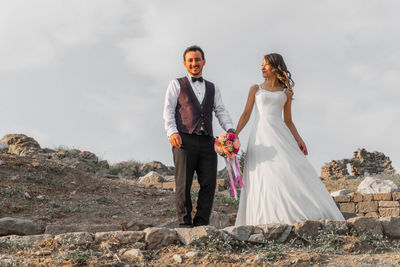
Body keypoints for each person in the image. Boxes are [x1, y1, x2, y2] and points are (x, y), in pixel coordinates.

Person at [235, 53, 344, 225]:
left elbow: (288, 120)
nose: (262, 67)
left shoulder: (286, 92)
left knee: (288, 168)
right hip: (260, 135)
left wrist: (299, 140)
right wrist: (234, 135)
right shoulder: (256, 89)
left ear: (276, 67)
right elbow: (246, 114)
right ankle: (265, 217)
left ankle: (298, 213)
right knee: (264, 174)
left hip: (280, 134)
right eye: (262, 65)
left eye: (266, 65)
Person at [163, 45, 235, 227]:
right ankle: (185, 224)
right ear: (185, 63)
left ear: (204, 61)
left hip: (208, 141)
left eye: (197, 59)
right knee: (183, 184)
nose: (194, 63)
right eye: (191, 60)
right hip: (184, 139)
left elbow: (220, 110)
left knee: (209, 184)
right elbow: (168, 110)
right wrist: (172, 132)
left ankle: (202, 223)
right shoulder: (176, 84)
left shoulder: (212, 87)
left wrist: (231, 130)